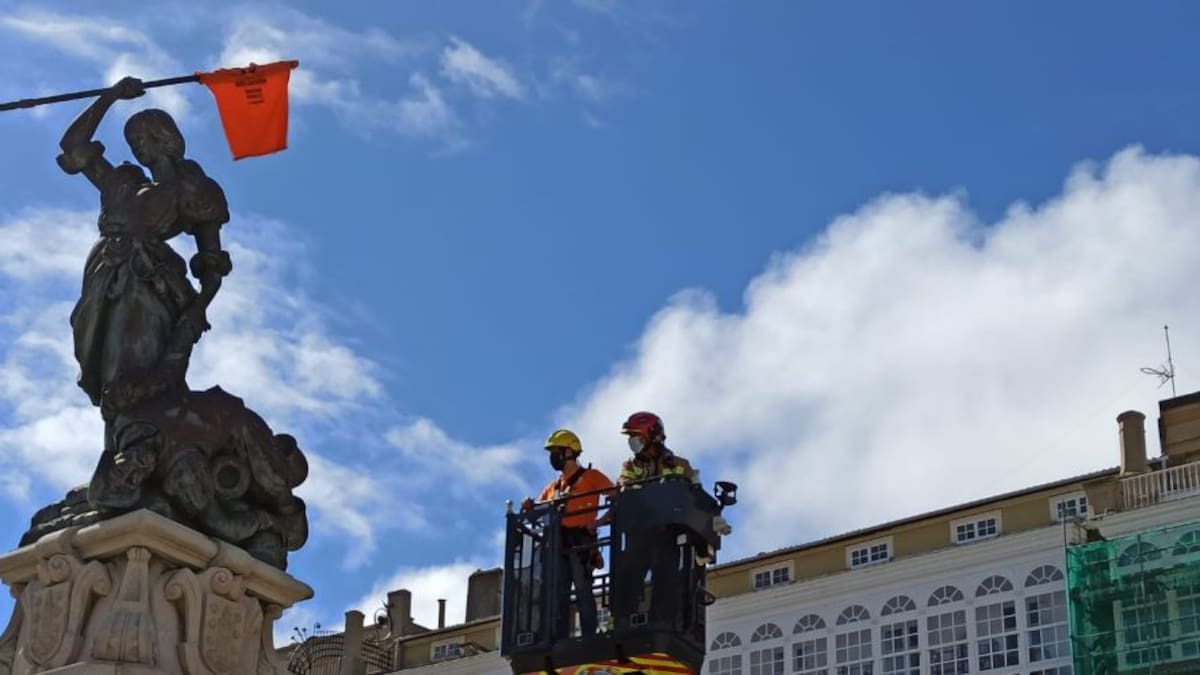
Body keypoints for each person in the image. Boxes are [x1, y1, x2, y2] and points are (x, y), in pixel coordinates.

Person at [57, 76, 231, 427]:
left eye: (141, 139)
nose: (136, 147)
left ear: (164, 138)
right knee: (106, 371)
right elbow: (73, 144)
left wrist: (198, 308)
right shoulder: (122, 183)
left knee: (132, 372)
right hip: (103, 280)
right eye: (131, 141)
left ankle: (140, 440)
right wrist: (110, 97)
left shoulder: (193, 190)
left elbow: (212, 264)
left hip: (149, 280)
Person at [523, 429, 613, 638]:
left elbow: (619, 498)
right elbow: (537, 511)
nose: (552, 457)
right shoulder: (553, 487)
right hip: (558, 544)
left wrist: (598, 522)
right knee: (558, 592)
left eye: (556, 451)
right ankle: (558, 637)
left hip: (581, 541)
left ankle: (589, 635)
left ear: (569, 453)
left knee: (583, 590)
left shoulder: (592, 477)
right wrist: (529, 506)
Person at [613, 411, 698, 630]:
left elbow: (696, 494)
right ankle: (623, 622)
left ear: (652, 435)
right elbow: (624, 487)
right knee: (629, 576)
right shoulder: (630, 466)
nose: (632, 442)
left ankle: (661, 621)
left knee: (666, 577)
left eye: (636, 436)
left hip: (668, 533)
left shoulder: (680, 464)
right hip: (640, 531)